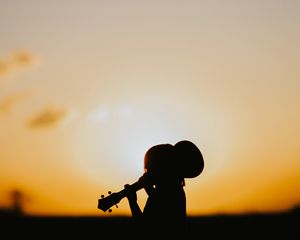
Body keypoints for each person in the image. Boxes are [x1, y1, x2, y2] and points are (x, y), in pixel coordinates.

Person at [124, 140, 204, 240]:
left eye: (150, 169)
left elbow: (144, 229)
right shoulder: (174, 191)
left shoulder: (166, 194)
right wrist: (143, 192)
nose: (147, 173)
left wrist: (133, 201)